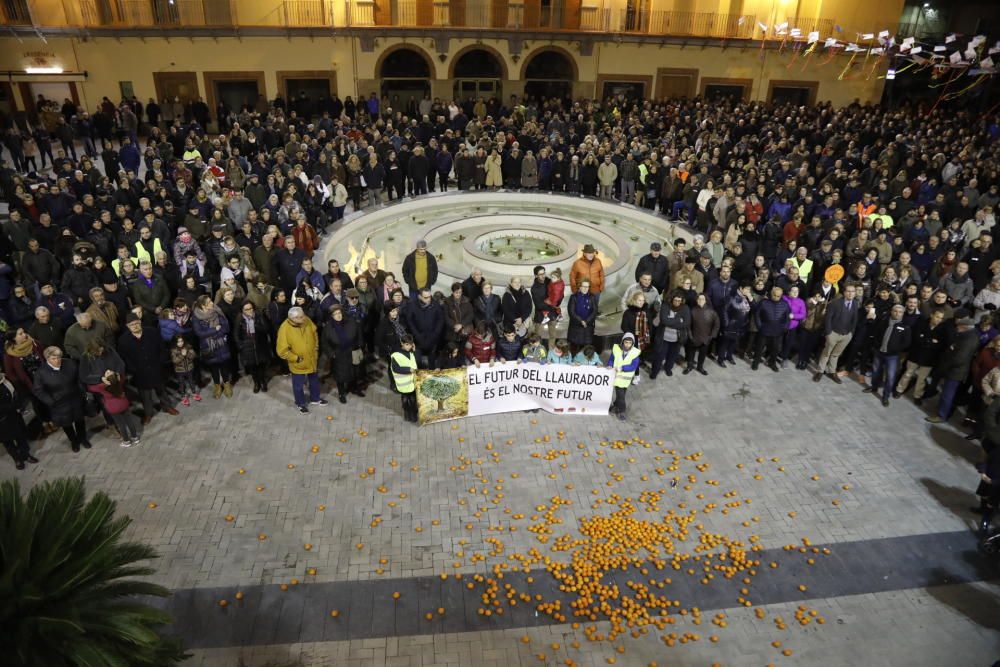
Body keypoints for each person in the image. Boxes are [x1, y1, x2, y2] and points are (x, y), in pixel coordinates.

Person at [118, 312, 178, 424]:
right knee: (145, 395)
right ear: (127, 326)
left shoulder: (152, 332)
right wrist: (133, 370)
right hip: (140, 372)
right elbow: (124, 358)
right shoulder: (123, 340)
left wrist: (161, 362)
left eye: (136, 323)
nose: (135, 326)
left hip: (156, 367)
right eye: (132, 325)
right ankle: (148, 413)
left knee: (161, 389)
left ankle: (167, 407)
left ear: (140, 322)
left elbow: (162, 348)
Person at [33, 346, 90, 452]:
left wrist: (82, 391)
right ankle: (74, 441)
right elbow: (38, 391)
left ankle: (82, 438)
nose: (58, 360)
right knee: (66, 424)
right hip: (59, 404)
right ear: (47, 359)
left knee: (79, 420)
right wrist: (51, 401)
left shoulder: (70, 363)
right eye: (54, 359)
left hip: (75, 398)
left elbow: (79, 378)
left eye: (59, 357)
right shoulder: (41, 373)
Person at [926, 315, 980, 424]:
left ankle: (941, 415)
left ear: (965, 327)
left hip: (955, 372)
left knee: (947, 394)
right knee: (946, 393)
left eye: (959, 327)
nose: (957, 328)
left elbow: (959, 359)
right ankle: (941, 410)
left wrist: (947, 362)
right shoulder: (967, 335)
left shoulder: (968, 340)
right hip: (954, 370)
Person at [276, 306, 327, 413]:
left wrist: (316, 348)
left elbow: (314, 332)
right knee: (298, 385)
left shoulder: (306, 320)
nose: (304, 318)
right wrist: (296, 358)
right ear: (292, 318)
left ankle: (315, 398)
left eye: (303, 315)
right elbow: (281, 351)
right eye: (300, 317)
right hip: (298, 363)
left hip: (312, 358)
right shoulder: (284, 329)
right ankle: (300, 403)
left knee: (314, 381)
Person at [863, 304, 912, 407]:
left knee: (890, 377)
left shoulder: (905, 327)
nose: (897, 313)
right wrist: (876, 345)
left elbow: (906, 343)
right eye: (895, 311)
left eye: (900, 312)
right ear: (891, 311)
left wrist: (895, 350)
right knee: (876, 372)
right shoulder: (884, 321)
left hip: (892, 356)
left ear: (903, 313)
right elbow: (876, 333)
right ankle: (874, 387)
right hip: (879, 352)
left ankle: (885, 397)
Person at [814, 284, 859, 383]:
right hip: (833, 333)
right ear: (844, 292)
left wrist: (851, 333)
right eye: (848, 291)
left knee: (836, 354)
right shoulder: (835, 303)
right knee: (826, 353)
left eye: (853, 291)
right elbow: (828, 319)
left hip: (846, 335)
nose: (851, 293)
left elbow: (854, 319)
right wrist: (828, 333)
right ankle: (820, 371)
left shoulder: (856, 303)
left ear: (855, 293)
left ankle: (831, 371)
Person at [192, 295, 233, 398]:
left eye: (211, 301)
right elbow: (199, 333)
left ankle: (227, 384)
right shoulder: (196, 316)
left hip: (221, 343)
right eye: (209, 302)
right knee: (214, 367)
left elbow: (226, 327)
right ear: (203, 305)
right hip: (208, 346)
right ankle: (217, 386)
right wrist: (215, 330)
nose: (212, 303)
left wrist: (215, 333)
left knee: (224, 365)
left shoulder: (217, 311)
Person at [88, 369, 141, 447]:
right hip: (123, 404)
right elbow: (122, 376)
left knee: (121, 424)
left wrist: (102, 380)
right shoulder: (119, 382)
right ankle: (135, 438)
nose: (108, 370)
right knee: (129, 421)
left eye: (108, 373)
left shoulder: (102, 387)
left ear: (106, 379)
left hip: (113, 407)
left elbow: (90, 388)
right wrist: (117, 376)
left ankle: (126, 441)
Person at [322, 304, 362, 403]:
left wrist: (360, 345)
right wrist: (332, 354)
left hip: (352, 351)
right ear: (332, 316)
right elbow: (324, 343)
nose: (338, 315)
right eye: (335, 314)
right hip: (339, 353)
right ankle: (341, 393)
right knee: (340, 376)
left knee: (355, 372)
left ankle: (354, 388)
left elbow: (359, 333)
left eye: (339, 313)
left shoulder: (350, 321)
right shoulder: (328, 327)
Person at [0, 369, 36, 469]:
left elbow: (17, 392)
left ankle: (26, 455)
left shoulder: (6, 378)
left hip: (15, 415)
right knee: (8, 442)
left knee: (21, 436)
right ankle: (17, 459)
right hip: (2, 420)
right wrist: (15, 406)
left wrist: (20, 404)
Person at [234, 300, 273, 393]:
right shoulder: (239, 318)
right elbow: (236, 334)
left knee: (262, 365)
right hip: (247, 347)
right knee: (252, 367)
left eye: (250, 308)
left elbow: (266, 329)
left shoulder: (259, 315)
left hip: (260, 345)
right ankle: (256, 383)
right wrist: (240, 345)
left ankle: (263, 381)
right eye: (246, 309)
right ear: (242, 310)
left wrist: (254, 324)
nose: (249, 311)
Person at [650, 291, 690, 379]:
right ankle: (654, 372)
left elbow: (686, 323)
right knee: (659, 356)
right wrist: (678, 320)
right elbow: (664, 321)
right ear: (671, 300)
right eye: (675, 300)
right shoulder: (665, 306)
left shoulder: (685, 308)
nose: (677, 303)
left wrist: (670, 322)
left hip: (677, 339)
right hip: (663, 338)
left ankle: (668, 368)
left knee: (672, 356)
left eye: (679, 301)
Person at [753, 287, 791, 372]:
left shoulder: (785, 304)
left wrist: (784, 328)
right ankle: (755, 362)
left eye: (778, 296)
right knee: (759, 348)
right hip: (764, 330)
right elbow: (757, 315)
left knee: (775, 349)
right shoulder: (763, 302)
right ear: (771, 293)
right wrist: (760, 326)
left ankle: (772, 363)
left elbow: (787, 318)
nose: (776, 297)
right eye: (775, 295)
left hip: (778, 332)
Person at [608, 333, 640, 421]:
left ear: (632, 344)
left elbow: (633, 366)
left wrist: (622, 368)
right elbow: (611, 359)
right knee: (621, 395)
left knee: (621, 396)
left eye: (630, 343)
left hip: (625, 380)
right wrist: (610, 365)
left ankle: (619, 409)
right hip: (616, 377)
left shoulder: (635, 353)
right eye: (626, 342)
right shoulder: (616, 349)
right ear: (623, 342)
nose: (627, 344)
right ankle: (618, 408)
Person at [685, 293, 720, 375]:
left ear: (706, 300)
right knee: (691, 354)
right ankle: (689, 366)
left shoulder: (712, 312)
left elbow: (717, 324)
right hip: (694, 337)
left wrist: (711, 336)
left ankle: (700, 367)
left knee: (702, 354)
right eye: (699, 299)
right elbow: (688, 325)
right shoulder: (692, 311)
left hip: (706, 338)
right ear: (697, 300)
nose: (701, 301)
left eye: (702, 299)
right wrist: (690, 336)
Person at [566, 279, 598, 355]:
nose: (585, 288)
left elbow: (594, 311)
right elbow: (571, 312)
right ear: (579, 287)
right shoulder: (574, 297)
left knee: (587, 348)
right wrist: (581, 321)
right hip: (576, 327)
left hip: (588, 326)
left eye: (587, 287)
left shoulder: (592, 297)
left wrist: (586, 321)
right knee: (574, 347)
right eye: (583, 286)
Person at [391, 335, 418, 423]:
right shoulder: (396, 355)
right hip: (404, 384)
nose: (409, 346)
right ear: (402, 343)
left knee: (413, 400)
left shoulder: (411, 352)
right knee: (406, 400)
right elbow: (395, 368)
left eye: (410, 344)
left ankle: (413, 414)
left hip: (412, 383)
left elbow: (417, 363)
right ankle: (407, 413)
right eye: (407, 344)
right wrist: (408, 370)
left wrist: (415, 352)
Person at [170, 334, 200, 405]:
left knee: (191, 381)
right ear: (175, 342)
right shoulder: (173, 350)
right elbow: (175, 360)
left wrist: (187, 354)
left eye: (181, 341)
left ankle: (194, 393)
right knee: (181, 383)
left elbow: (193, 355)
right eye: (178, 342)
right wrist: (182, 355)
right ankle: (183, 396)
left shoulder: (188, 347)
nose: (180, 343)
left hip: (189, 368)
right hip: (179, 370)